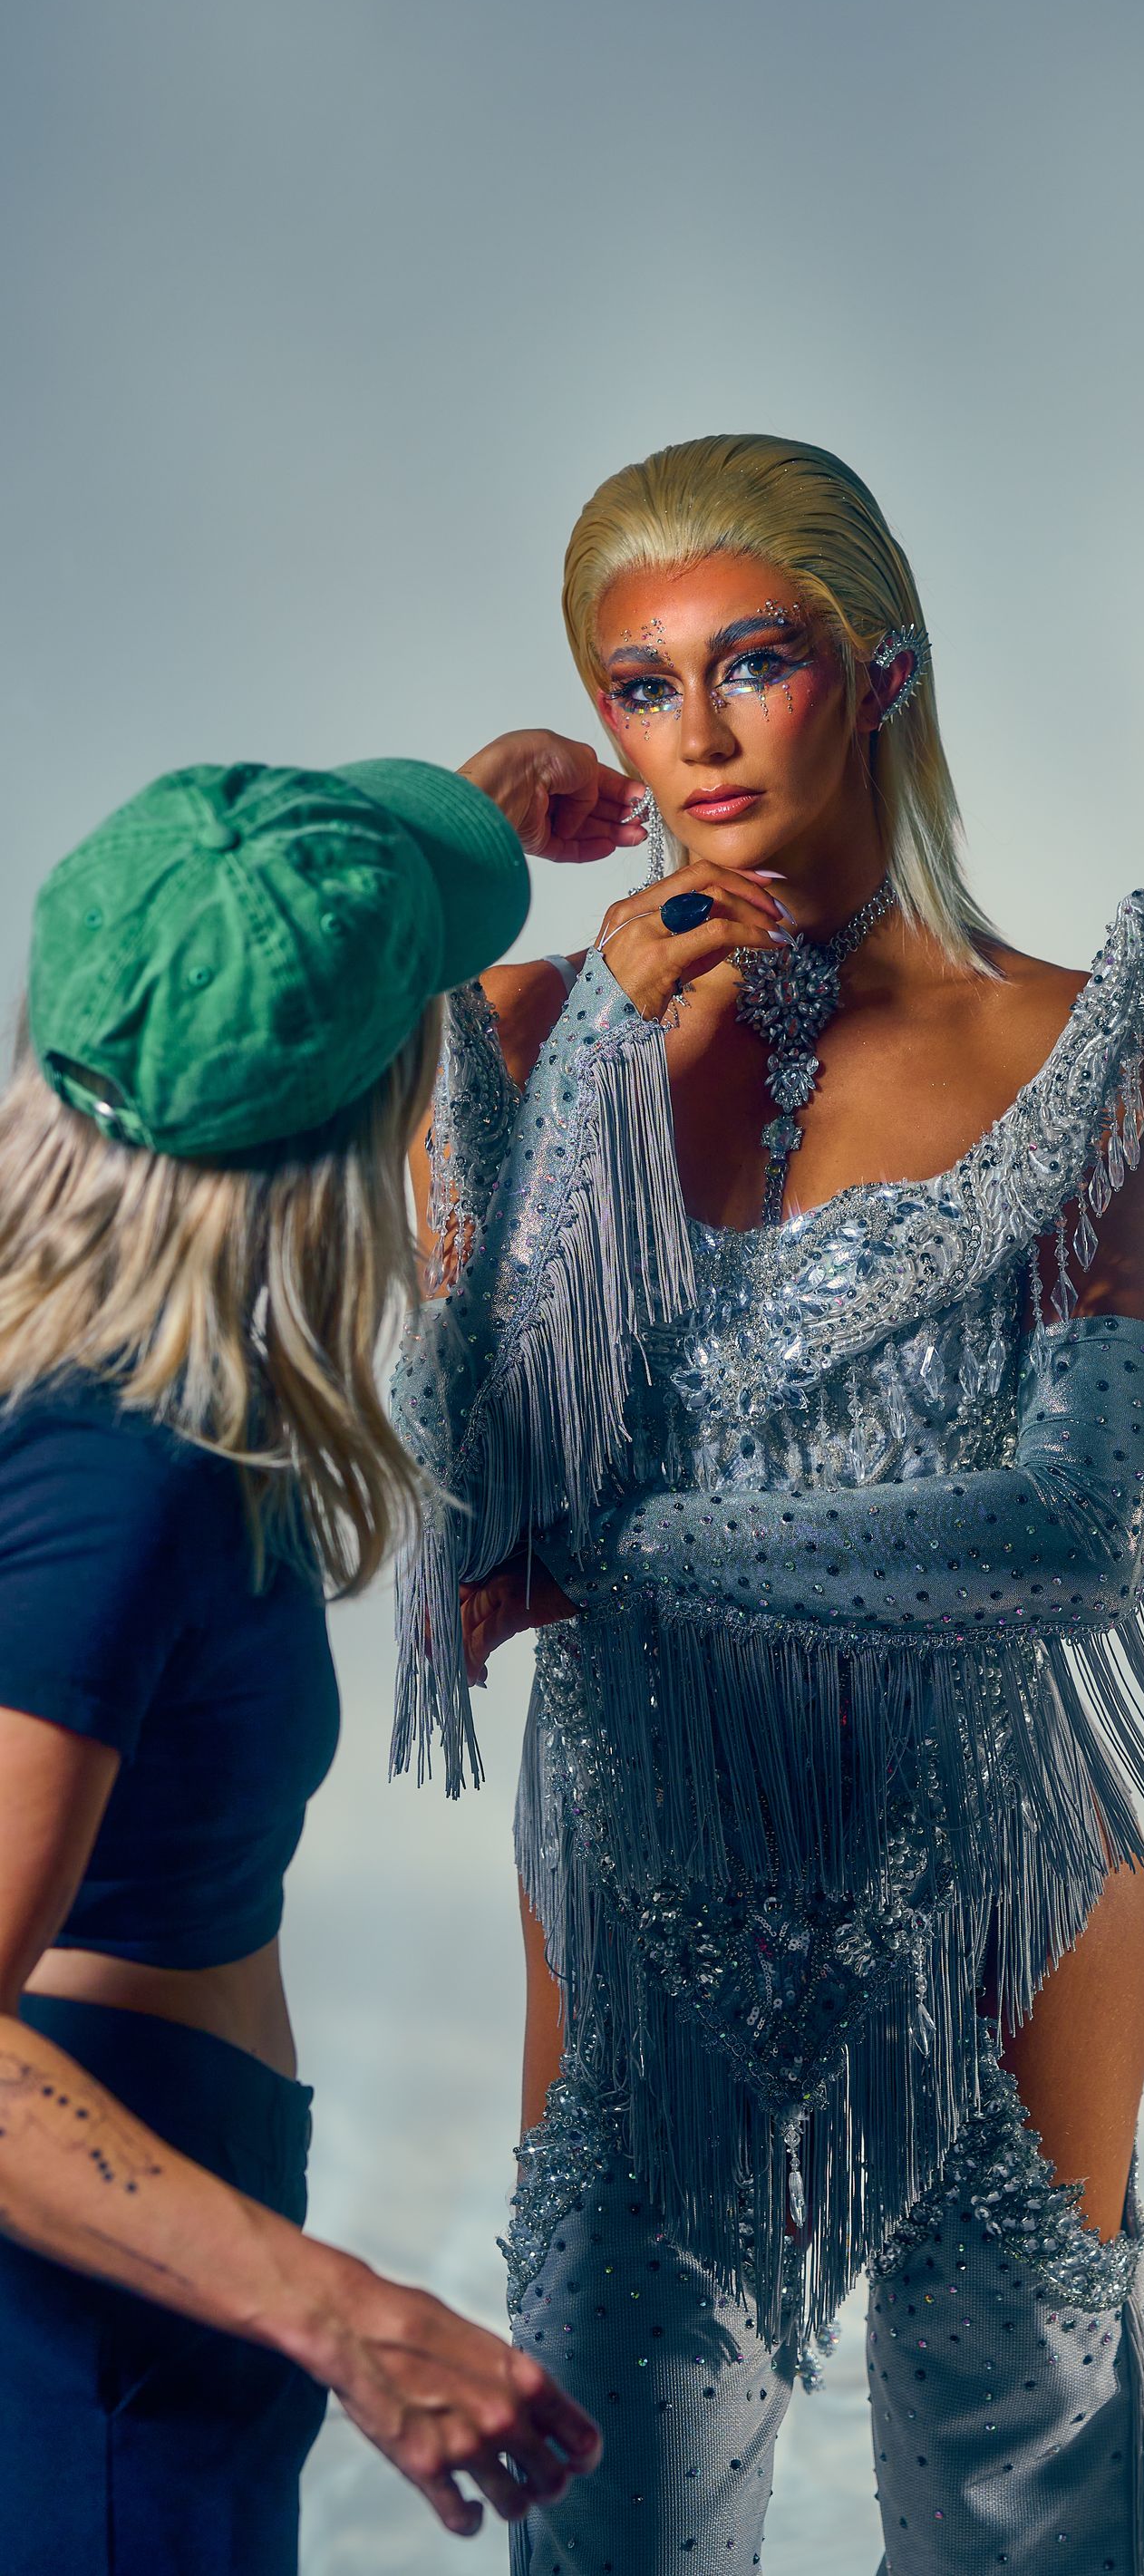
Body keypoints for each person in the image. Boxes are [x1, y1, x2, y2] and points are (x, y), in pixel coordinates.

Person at [394, 434, 1144, 2576]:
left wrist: (625, 1557)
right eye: (635, 686)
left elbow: (1069, 1536)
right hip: (643, 1872)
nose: (690, 738)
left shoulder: (1068, 1038)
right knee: (613, 2515)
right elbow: (467, 1496)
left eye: (748, 664)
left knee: (1024, 2508)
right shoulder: (522, 1034)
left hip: (994, 1882)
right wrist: (563, 1045)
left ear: (876, 672)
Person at [0, 742, 640, 2573]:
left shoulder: (41, 1306)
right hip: (105, 2281)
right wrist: (341, 2313)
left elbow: (230, 977)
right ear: (361, 1110)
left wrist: (441, 831)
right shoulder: (129, 1464)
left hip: (141, 2238)